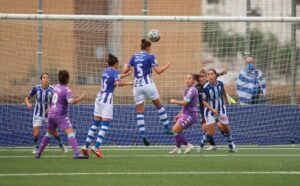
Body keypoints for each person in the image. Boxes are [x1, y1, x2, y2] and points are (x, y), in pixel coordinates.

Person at [81, 53, 132, 157]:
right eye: (118, 63)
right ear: (116, 63)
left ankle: (85, 146)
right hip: (107, 98)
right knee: (105, 124)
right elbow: (117, 83)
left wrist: (125, 75)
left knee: (95, 123)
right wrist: (129, 83)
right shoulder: (115, 71)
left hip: (99, 97)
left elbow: (114, 78)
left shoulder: (105, 71)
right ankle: (96, 147)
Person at [123, 39, 172, 146]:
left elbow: (125, 71)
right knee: (159, 106)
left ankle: (143, 134)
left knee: (140, 111)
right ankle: (167, 127)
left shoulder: (134, 56)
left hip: (136, 86)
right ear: (148, 47)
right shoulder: (150, 56)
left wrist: (127, 65)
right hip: (148, 84)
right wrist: (167, 65)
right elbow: (158, 71)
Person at [35, 70, 88, 159]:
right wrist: (81, 97)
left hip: (51, 114)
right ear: (67, 79)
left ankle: (38, 153)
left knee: (48, 133)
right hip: (60, 115)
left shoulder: (56, 87)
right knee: (70, 132)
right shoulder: (66, 90)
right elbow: (71, 102)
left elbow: (53, 99)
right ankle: (77, 154)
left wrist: (49, 108)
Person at [24, 73, 67, 154]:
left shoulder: (52, 90)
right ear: (41, 79)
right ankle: (36, 147)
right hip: (38, 114)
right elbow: (26, 98)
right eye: (44, 77)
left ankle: (61, 145)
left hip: (49, 115)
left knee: (54, 132)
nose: (46, 79)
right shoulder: (36, 88)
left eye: (47, 78)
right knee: (36, 134)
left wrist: (51, 108)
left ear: (49, 80)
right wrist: (28, 103)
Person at [198, 69, 237, 153]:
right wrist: (212, 109)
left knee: (226, 128)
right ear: (207, 77)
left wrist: (226, 100)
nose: (210, 76)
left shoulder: (220, 84)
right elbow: (204, 101)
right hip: (209, 111)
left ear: (215, 75)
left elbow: (223, 91)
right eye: (208, 74)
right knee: (211, 132)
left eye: (212, 74)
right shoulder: (205, 88)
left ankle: (231, 147)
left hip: (221, 109)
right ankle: (201, 144)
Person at [169, 74, 198, 154]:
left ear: (193, 81)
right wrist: (179, 115)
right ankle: (178, 148)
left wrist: (174, 101)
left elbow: (185, 103)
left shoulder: (192, 90)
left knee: (174, 130)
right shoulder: (187, 90)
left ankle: (188, 145)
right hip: (186, 113)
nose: (187, 80)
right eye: (186, 78)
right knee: (178, 130)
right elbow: (186, 105)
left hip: (191, 115)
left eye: (189, 78)